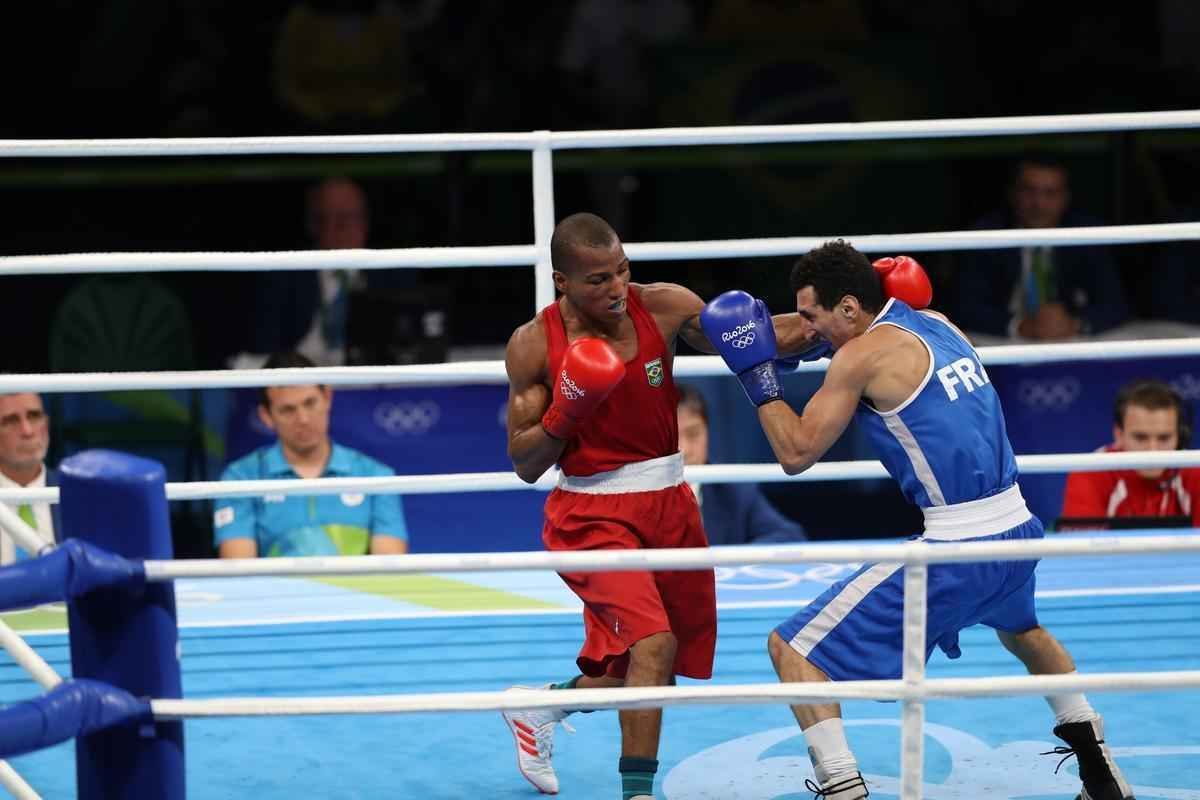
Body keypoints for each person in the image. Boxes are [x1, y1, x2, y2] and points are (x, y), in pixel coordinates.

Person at [701, 242, 1134, 799]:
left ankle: (842, 788)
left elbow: (796, 452)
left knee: (793, 649)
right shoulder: (938, 322)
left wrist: (757, 375)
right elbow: (832, 340)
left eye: (813, 316)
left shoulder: (858, 357)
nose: (808, 329)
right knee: (1024, 632)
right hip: (1019, 530)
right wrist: (808, 339)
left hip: (959, 544)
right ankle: (1102, 773)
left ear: (851, 308)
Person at [498, 212, 811, 799]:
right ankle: (637, 792)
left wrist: (850, 318)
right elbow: (524, 463)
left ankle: (541, 708)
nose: (616, 288)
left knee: (652, 672)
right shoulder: (534, 345)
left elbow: (755, 335)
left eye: (622, 271)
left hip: (670, 501)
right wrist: (567, 412)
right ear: (561, 281)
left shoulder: (662, 305)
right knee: (653, 644)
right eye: (597, 280)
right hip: (592, 513)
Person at [213, 351, 408, 558]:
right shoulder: (240, 478)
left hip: (357, 591)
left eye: (310, 403)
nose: (303, 419)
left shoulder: (376, 475)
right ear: (266, 416)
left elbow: (389, 569)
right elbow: (239, 572)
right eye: (288, 410)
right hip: (276, 591)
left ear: (327, 398)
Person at [955, 156, 1129, 342]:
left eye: (1050, 193)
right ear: (1013, 193)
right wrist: (1019, 325)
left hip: (1068, 340)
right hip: (1001, 342)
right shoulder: (986, 234)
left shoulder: (1085, 234)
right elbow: (964, 307)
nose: (1039, 204)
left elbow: (1116, 303)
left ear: (1065, 198)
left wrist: (1075, 323)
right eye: (1029, 191)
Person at [677, 383, 808, 545]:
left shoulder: (732, 489)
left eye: (693, 434)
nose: (684, 449)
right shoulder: (638, 492)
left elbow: (788, 537)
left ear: (708, 432)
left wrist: (734, 561)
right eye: (672, 436)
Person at [1060, 378, 1199, 527]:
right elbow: (1083, 548)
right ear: (1119, 435)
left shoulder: (1195, 472)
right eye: (1140, 437)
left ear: (1179, 436)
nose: (1153, 450)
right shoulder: (1089, 473)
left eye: (1164, 438)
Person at [0, 393, 60, 564]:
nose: (27, 431)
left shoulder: (78, 494)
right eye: (11, 420)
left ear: (46, 425)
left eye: (34, 416)